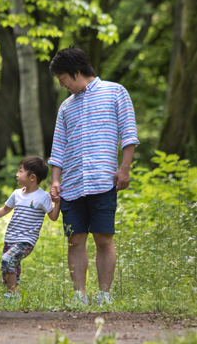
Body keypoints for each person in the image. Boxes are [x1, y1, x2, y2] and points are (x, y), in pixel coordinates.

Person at [48, 47, 139, 307]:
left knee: (103, 237)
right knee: (75, 240)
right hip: (73, 185)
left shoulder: (116, 92)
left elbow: (129, 133)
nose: (61, 84)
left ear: (76, 72)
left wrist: (124, 169)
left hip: (102, 180)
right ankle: (79, 295)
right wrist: (55, 180)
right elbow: (58, 148)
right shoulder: (65, 107)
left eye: (62, 78)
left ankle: (104, 294)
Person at [0, 157, 60, 301]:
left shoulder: (43, 197)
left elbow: (53, 216)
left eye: (20, 171)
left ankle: (11, 295)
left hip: (27, 240)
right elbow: (5, 209)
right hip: (10, 237)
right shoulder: (17, 194)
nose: (17, 174)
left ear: (32, 177)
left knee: (8, 259)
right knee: (9, 268)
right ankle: (14, 293)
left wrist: (58, 203)